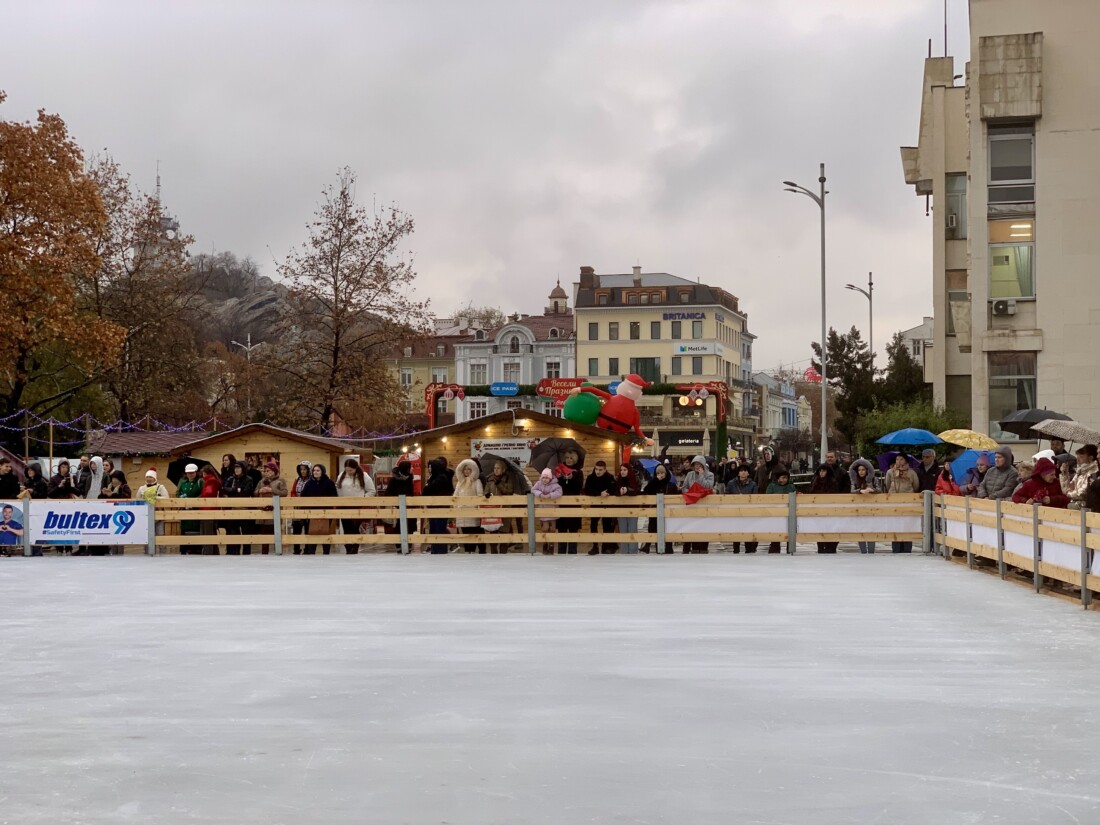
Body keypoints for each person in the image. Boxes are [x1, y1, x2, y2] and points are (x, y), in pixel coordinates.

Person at [335, 458, 374, 554]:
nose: (349, 472)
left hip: (358, 506)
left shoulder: (364, 476)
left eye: (351, 470)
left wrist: (363, 499)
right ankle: (348, 546)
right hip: (344, 506)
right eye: (347, 470)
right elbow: (337, 488)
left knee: (355, 528)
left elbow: (371, 491)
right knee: (346, 527)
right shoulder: (341, 475)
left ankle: (355, 546)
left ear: (355, 468)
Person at [678, 455, 715, 554]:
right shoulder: (690, 474)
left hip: (705, 505)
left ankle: (703, 547)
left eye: (699, 464)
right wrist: (691, 492)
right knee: (693, 525)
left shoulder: (710, 475)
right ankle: (694, 547)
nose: (697, 466)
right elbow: (684, 487)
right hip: (693, 504)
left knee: (704, 526)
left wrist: (701, 475)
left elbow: (708, 486)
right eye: (695, 465)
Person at [884, 454, 919, 552]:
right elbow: (887, 485)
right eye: (897, 459)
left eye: (901, 459)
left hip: (908, 502)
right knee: (895, 525)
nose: (899, 461)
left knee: (907, 525)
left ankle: (907, 548)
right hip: (894, 502)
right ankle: (896, 548)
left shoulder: (911, 473)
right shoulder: (890, 472)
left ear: (906, 461)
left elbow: (916, 486)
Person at [220, 460, 255, 555]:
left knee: (246, 532)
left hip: (245, 509)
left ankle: (246, 553)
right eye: (235, 468)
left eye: (239, 468)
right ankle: (233, 553)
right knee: (233, 532)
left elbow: (247, 492)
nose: (237, 470)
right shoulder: (231, 479)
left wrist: (235, 491)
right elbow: (224, 489)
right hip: (232, 509)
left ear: (243, 469)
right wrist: (235, 490)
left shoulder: (248, 479)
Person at [482, 459, 517, 553]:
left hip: (505, 509)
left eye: (498, 468)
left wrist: (499, 484)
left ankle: (503, 554)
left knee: (503, 533)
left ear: (503, 469)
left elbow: (509, 491)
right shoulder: (490, 479)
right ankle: (494, 553)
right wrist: (487, 494)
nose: (496, 470)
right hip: (493, 510)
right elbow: (485, 491)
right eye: (495, 468)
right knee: (493, 533)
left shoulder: (508, 479)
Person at [301, 463, 337, 554]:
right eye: (314, 470)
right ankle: (311, 552)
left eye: (318, 470)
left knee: (325, 531)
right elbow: (303, 496)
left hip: (325, 511)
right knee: (312, 532)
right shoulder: (309, 483)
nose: (315, 472)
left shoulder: (329, 483)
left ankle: (326, 552)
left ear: (322, 471)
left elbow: (334, 496)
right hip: (312, 512)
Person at [642, 463, 677, 554]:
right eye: (658, 473)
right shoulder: (653, 483)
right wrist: (655, 480)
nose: (660, 475)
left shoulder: (671, 485)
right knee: (653, 528)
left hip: (668, 511)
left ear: (665, 473)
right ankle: (655, 548)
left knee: (667, 529)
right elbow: (646, 490)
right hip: (655, 510)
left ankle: (669, 548)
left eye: (662, 473)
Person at [584, 460, 618, 554]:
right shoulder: (591, 478)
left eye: (600, 469)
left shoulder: (610, 477)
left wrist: (608, 493)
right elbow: (586, 490)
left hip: (607, 506)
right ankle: (595, 546)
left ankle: (605, 546)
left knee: (607, 526)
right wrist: (598, 494)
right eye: (596, 469)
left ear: (604, 469)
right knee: (593, 525)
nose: (598, 471)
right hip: (595, 505)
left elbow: (614, 488)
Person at [254, 461, 288, 554]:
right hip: (263, 511)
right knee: (264, 534)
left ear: (273, 471)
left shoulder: (280, 481)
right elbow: (255, 492)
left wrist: (272, 490)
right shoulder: (261, 481)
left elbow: (284, 493)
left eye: (268, 470)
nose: (266, 473)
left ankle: (277, 552)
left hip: (275, 512)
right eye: (264, 471)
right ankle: (264, 553)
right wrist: (259, 491)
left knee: (276, 533)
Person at [422, 457, 454, 554]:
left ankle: (440, 550)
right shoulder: (435, 477)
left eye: (431, 467)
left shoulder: (441, 477)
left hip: (440, 507)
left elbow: (427, 490)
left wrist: (427, 487)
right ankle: (434, 549)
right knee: (433, 529)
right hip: (433, 507)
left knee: (439, 529)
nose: (429, 469)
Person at [555, 449, 584, 554]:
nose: (569, 460)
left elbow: (579, 487)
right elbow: (556, 486)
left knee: (573, 531)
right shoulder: (559, 470)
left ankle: (572, 553)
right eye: (567, 458)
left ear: (575, 459)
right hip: (561, 505)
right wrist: (560, 478)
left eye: (571, 458)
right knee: (562, 530)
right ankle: (561, 553)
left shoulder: (578, 472)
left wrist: (572, 478)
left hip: (574, 505)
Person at [453, 459, 484, 551]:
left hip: (473, 514)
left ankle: (473, 551)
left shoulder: (477, 482)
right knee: (465, 534)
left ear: (473, 470)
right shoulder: (460, 482)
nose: (466, 471)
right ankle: (468, 551)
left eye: (469, 469)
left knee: (473, 533)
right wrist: (456, 507)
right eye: (464, 469)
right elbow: (455, 495)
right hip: (462, 513)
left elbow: (480, 495)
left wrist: (477, 509)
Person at [726, 464, 758, 553]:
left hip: (748, 512)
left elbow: (755, 497)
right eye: (741, 470)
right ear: (738, 473)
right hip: (735, 511)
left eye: (745, 471)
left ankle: (749, 549)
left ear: (748, 473)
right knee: (736, 530)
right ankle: (736, 549)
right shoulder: (731, 483)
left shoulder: (753, 484)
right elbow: (726, 495)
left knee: (748, 530)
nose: (743, 472)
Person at [849, 458, 878, 554]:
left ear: (867, 470)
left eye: (863, 470)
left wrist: (872, 490)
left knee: (871, 529)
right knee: (860, 529)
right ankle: (863, 551)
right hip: (859, 509)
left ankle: (871, 551)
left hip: (872, 509)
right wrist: (860, 491)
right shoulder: (855, 481)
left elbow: (880, 489)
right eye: (859, 470)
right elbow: (852, 491)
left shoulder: (873, 479)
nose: (861, 472)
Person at [136, 469, 170, 551]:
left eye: (150, 477)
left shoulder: (160, 487)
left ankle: (163, 551)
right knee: (147, 534)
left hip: (158, 514)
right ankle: (148, 551)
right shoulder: (141, 488)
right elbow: (137, 499)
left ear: (154, 478)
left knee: (160, 533)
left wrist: (155, 498)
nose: (148, 479)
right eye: (147, 477)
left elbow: (166, 498)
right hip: (146, 515)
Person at [531, 468, 563, 555]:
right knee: (545, 528)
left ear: (550, 478)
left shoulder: (555, 485)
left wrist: (550, 495)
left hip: (553, 510)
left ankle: (551, 545)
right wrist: (540, 494)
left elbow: (559, 492)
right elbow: (533, 490)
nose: (545, 479)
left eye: (546, 478)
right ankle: (545, 543)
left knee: (552, 528)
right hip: (542, 509)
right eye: (543, 477)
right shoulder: (538, 484)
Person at [809, 464, 840, 553]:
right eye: (820, 471)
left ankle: (831, 547)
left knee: (831, 528)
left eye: (824, 471)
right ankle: (821, 547)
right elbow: (811, 493)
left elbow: (834, 495)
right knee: (820, 528)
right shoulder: (815, 481)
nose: (822, 473)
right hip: (818, 509)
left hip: (830, 509)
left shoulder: (832, 482)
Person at [766, 469, 797, 554]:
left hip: (788, 513)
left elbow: (794, 496)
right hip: (775, 512)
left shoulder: (791, 486)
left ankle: (789, 546)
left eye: (786, 478)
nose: (784, 480)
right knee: (775, 529)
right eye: (782, 478)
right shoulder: (772, 486)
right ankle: (774, 546)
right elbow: (768, 498)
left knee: (789, 529)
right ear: (778, 478)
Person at [386, 460, 417, 547]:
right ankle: (399, 546)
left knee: (410, 526)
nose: (412, 469)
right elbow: (388, 493)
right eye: (410, 467)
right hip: (398, 507)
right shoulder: (394, 480)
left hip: (409, 507)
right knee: (398, 527)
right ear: (406, 468)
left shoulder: (410, 478)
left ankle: (409, 545)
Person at [175, 463, 203, 554]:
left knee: (195, 528)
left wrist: (194, 502)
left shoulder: (200, 482)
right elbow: (178, 493)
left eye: (192, 473)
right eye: (188, 473)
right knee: (185, 528)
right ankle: (185, 548)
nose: (190, 474)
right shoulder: (183, 482)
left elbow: (203, 494)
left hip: (196, 510)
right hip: (185, 509)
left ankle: (196, 548)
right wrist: (182, 498)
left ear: (196, 472)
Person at [614, 462, 640, 554]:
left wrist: (627, 490)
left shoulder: (635, 478)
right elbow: (614, 490)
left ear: (629, 470)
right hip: (621, 508)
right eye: (621, 470)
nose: (622, 472)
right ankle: (624, 551)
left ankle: (633, 551)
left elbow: (637, 490)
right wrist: (619, 491)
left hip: (633, 508)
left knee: (632, 529)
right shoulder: (617, 479)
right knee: (623, 529)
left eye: (624, 470)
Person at [288, 461, 312, 554]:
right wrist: (295, 499)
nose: (303, 471)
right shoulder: (297, 479)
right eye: (301, 470)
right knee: (296, 528)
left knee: (307, 528)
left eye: (305, 469)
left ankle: (307, 549)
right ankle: (296, 548)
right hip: (297, 506)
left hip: (307, 506)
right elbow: (293, 491)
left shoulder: (311, 480)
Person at [198, 465, 221, 555]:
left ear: (205, 473)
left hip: (208, 509)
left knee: (208, 532)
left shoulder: (210, 481)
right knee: (211, 531)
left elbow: (209, 493)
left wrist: (201, 497)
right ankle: (214, 551)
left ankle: (208, 552)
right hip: (210, 509)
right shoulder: (212, 480)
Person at [1066, 445, 1099, 509]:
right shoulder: (1079, 471)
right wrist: (1065, 474)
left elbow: (1085, 491)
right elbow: (1068, 487)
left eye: (1081, 457)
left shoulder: (1094, 472)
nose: (1078, 460)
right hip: (1074, 501)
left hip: (1085, 504)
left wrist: (1069, 494)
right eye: (1077, 457)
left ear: (1090, 458)